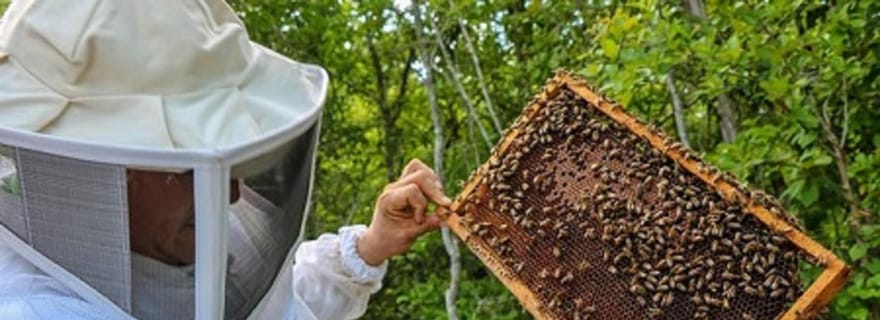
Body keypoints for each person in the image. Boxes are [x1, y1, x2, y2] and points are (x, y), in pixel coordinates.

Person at [0, 0, 451, 319]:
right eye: (185, 171)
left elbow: (276, 304)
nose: (232, 194)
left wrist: (371, 244)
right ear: (102, 174)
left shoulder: (151, 255)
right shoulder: (36, 310)